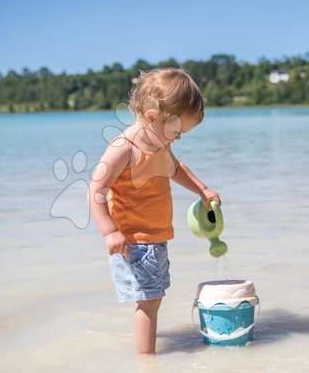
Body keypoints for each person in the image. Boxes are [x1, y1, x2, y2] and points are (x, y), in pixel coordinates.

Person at [89, 68, 221, 355]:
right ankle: (147, 360)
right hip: (133, 241)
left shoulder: (159, 143)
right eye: (177, 131)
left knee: (153, 298)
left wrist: (202, 190)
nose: (178, 139)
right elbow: (96, 191)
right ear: (152, 117)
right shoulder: (124, 148)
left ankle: (148, 354)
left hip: (155, 239)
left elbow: (176, 169)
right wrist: (109, 232)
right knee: (148, 302)